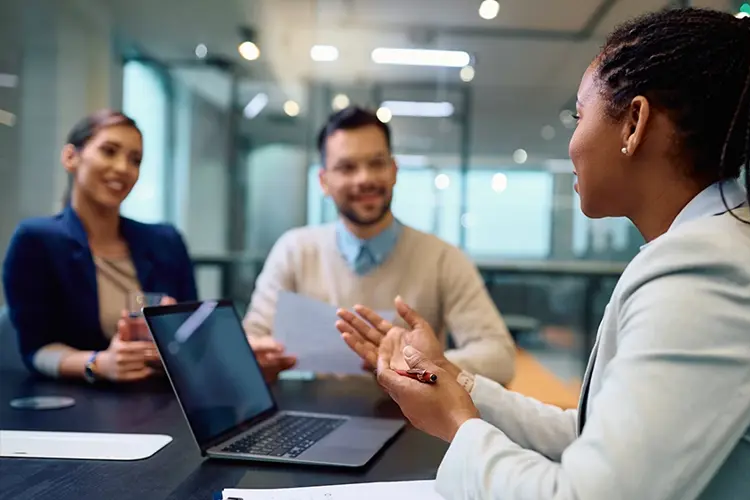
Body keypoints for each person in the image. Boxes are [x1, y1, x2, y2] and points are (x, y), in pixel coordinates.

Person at [336, 8, 750, 499]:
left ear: (634, 123)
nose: (571, 142)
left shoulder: (710, 272)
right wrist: (451, 379)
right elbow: (589, 433)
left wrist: (456, 422)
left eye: (580, 116)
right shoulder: (715, 248)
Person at [243, 106, 516, 384]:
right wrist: (257, 360)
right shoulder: (294, 251)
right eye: (347, 167)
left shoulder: (443, 258)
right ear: (324, 182)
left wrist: (421, 365)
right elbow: (251, 341)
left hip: (414, 421)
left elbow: (499, 358)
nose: (365, 179)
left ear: (394, 170)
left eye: (376, 163)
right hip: (315, 414)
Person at [2, 110, 198, 383]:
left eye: (135, 160)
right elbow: (36, 351)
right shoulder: (37, 240)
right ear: (71, 157)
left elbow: (194, 336)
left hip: (162, 397)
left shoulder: (166, 241)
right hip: (78, 403)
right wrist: (98, 363)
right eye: (109, 151)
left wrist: (172, 330)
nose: (122, 168)